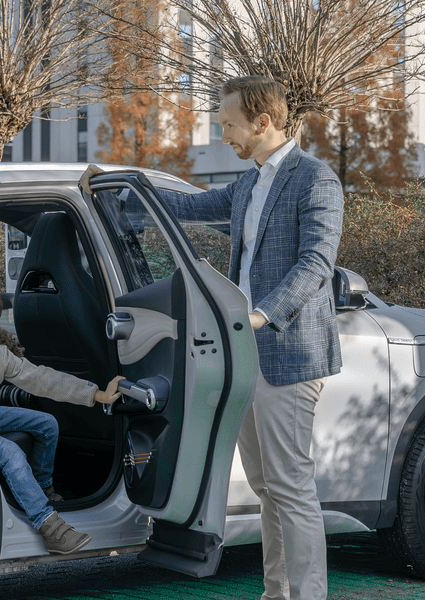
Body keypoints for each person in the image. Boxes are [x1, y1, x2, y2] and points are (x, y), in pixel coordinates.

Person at [149, 76, 344, 600]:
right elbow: (192, 207)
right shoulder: (250, 182)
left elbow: (316, 265)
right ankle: (275, 592)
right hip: (244, 354)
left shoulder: (315, 180)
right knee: (266, 488)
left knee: (291, 488)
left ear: (262, 123)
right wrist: (130, 189)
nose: (224, 135)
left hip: (287, 354)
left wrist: (260, 315)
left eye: (230, 125)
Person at [0, 275, 125, 554]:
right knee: (10, 453)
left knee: (47, 424)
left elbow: (41, 379)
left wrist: (96, 394)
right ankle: (49, 527)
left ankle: (42, 486)